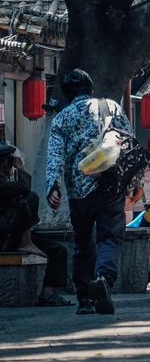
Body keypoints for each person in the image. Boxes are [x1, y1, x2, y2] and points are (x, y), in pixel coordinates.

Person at [44, 68, 133, 315]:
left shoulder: (62, 118)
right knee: (110, 238)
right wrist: (134, 181)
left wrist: (52, 186)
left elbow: (54, 155)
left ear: (67, 93)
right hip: (110, 185)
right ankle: (104, 279)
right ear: (90, 88)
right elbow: (128, 141)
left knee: (83, 244)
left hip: (79, 191)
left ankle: (84, 300)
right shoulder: (112, 107)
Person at [0, 143, 73, 307]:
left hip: (13, 233)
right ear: (5, 163)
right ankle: (25, 242)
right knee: (31, 198)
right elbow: (25, 189)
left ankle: (48, 293)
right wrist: (21, 168)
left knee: (58, 250)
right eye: (9, 163)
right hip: (4, 236)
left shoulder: (6, 181)